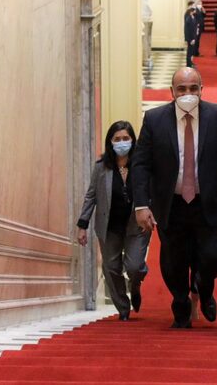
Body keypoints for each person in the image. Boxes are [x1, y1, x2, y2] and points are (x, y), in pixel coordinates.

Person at [132, 67, 217, 328]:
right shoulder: (154, 119)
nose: (187, 93)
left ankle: (204, 290)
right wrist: (141, 205)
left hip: (208, 202)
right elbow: (141, 165)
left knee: (212, 256)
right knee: (173, 261)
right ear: (172, 91)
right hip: (170, 204)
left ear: (201, 90)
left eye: (193, 88)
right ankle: (181, 300)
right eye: (181, 89)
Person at [76, 121, 151, 321]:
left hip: (136, 225)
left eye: (126, 138)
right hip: (109, 226)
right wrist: (82, 225)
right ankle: (123, 308)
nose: (122, 142)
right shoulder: (101, 167)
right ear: (110, 142)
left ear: (133, 140)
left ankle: (135, 285)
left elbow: (153, 192)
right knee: (111, 268)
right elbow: (91, 196)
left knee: (135, 266)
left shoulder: (142, 165)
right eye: (117, 139)